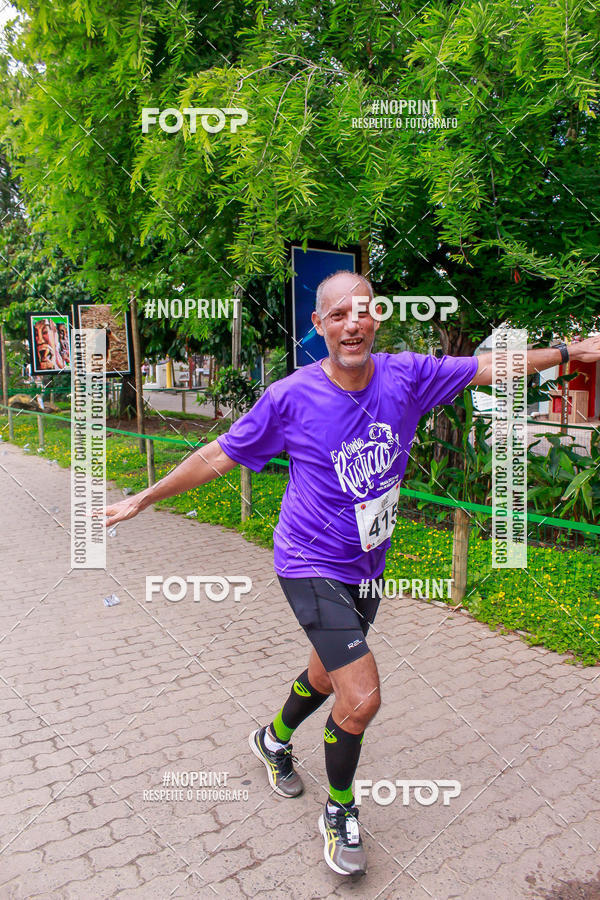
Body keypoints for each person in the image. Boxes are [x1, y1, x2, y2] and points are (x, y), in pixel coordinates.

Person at [104, 271, 600, 877]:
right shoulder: (291, 396)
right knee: (361, 697)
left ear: (377, 316)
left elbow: (490, 367)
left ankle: (272, 739)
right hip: (308, 562)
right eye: (336, 315)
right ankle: (340, 812)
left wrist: (570, 351)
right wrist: (142, 499)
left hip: (367, 564)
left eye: (361, 312)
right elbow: (217, 454)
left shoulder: (408, 375)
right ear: (320, 327)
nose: (351, 325)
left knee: (327, 671)